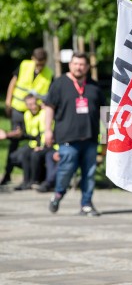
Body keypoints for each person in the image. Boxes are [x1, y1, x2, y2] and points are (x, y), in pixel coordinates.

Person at [44, 52, 105, 217]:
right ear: (70, 65)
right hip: (68, 138)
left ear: (87, 67)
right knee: (66, 170)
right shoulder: (59, 83)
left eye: (82, 64)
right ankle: (58, 193)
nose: (79, 67)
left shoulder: (94, 85)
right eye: (76, 64)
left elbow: (104, 111)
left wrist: (108, 135)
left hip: (90, 137)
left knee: (89, 173)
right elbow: (49, 107)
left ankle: (86, 203)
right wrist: (48, 130)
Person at [1, 48, 53, 186]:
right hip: (19, 108)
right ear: (32, 59)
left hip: (35, 112)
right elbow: (13, 82)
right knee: (15, 141)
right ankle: (7, 174)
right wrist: (8, 101)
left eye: (42, 64)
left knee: (35, 140)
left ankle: (35, 176)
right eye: (37, 64)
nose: (39, 67)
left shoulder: (49, 74)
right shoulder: (24, 65)